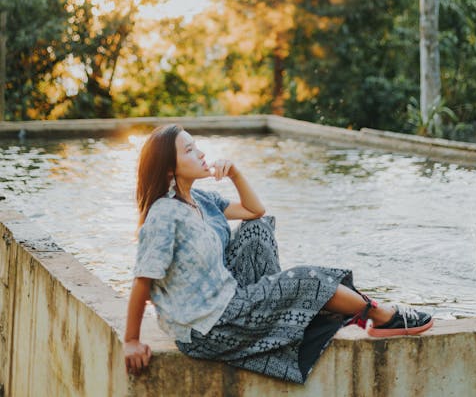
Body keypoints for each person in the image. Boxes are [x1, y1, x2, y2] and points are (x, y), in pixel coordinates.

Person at [124, 124, 433, 384]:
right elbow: (143, 279)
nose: (202, 153)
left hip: (231, 298)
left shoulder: (200, 199)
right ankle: (379, 315)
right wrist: (131, 340)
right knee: (305, 281)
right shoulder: (165, 214)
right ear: (168, 168)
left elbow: (254, 210)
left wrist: (236, 174)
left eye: (197, 146)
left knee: (257, 228)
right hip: (208, 328)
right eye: (189, 150)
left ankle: (282, 308)